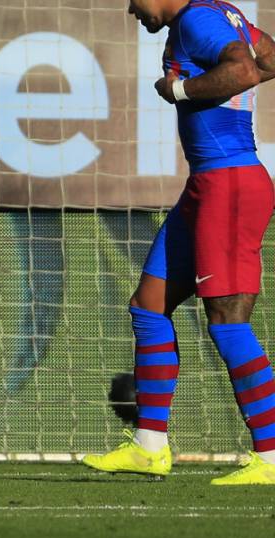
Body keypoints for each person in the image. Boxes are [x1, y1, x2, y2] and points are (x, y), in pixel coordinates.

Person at [83, 0, 275, 485]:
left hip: (229, 183)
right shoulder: (220, 12)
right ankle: (149, 447)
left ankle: (272, 457)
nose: (131, 8)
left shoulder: (196, 19)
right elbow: (269, 57)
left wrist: (181, 89)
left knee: (227, 321)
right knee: (148, 306)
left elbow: (247, 70)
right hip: (205, 185)